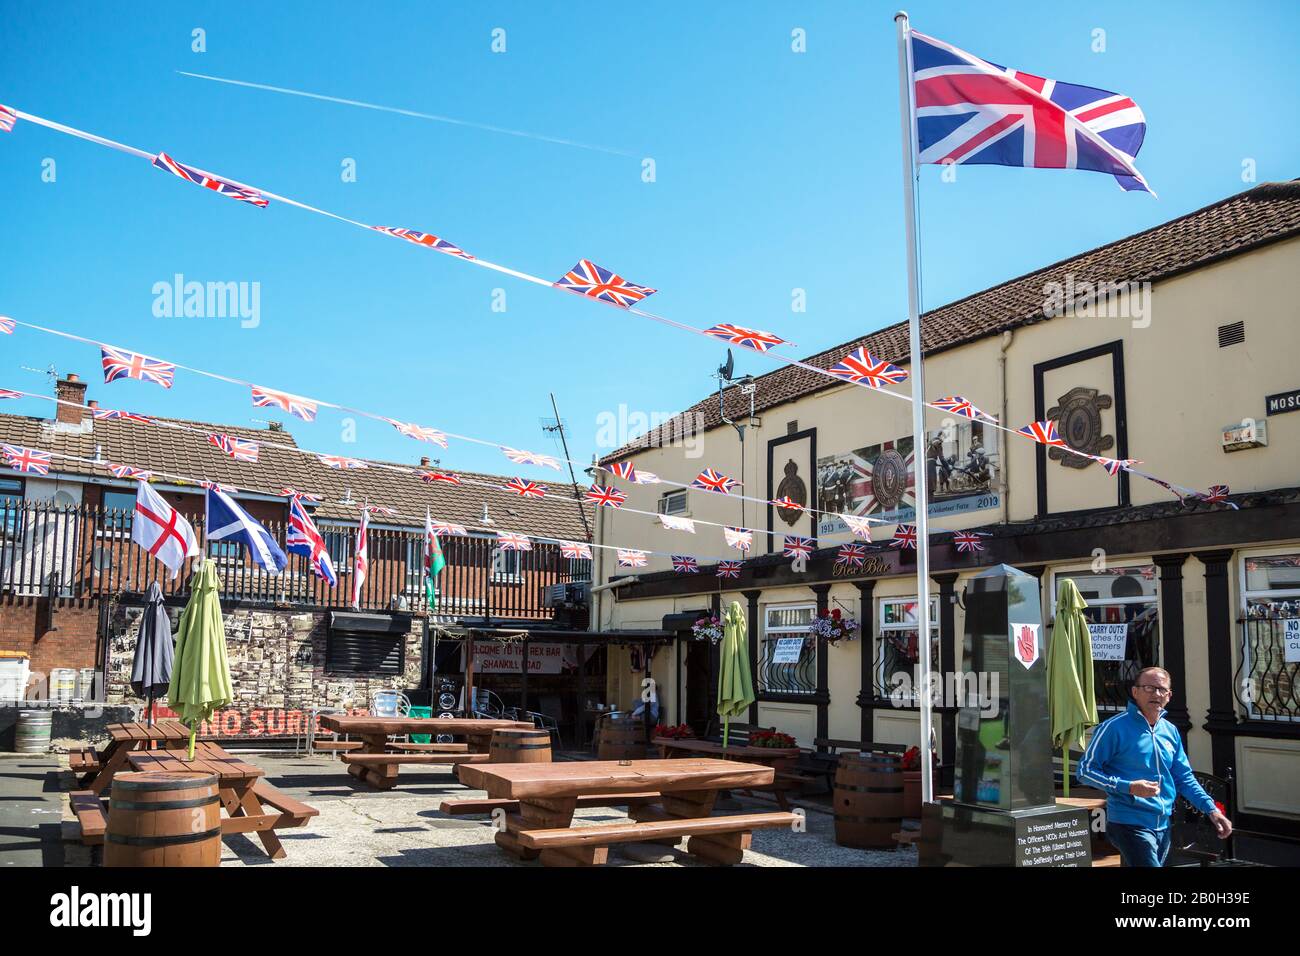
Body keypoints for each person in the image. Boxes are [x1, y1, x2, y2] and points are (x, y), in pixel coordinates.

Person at [1077, 666, 1232, 866]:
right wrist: (1128, 787)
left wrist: (1212, 810)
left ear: (1169, 696)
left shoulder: (1170, 731)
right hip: (1128, 823)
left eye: (1162, 690)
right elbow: (1084, 771)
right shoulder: (1113, 728)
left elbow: (1184, 777)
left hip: (1163, 823)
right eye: (1149, 688)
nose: (1156, 694)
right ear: (1135, 692)